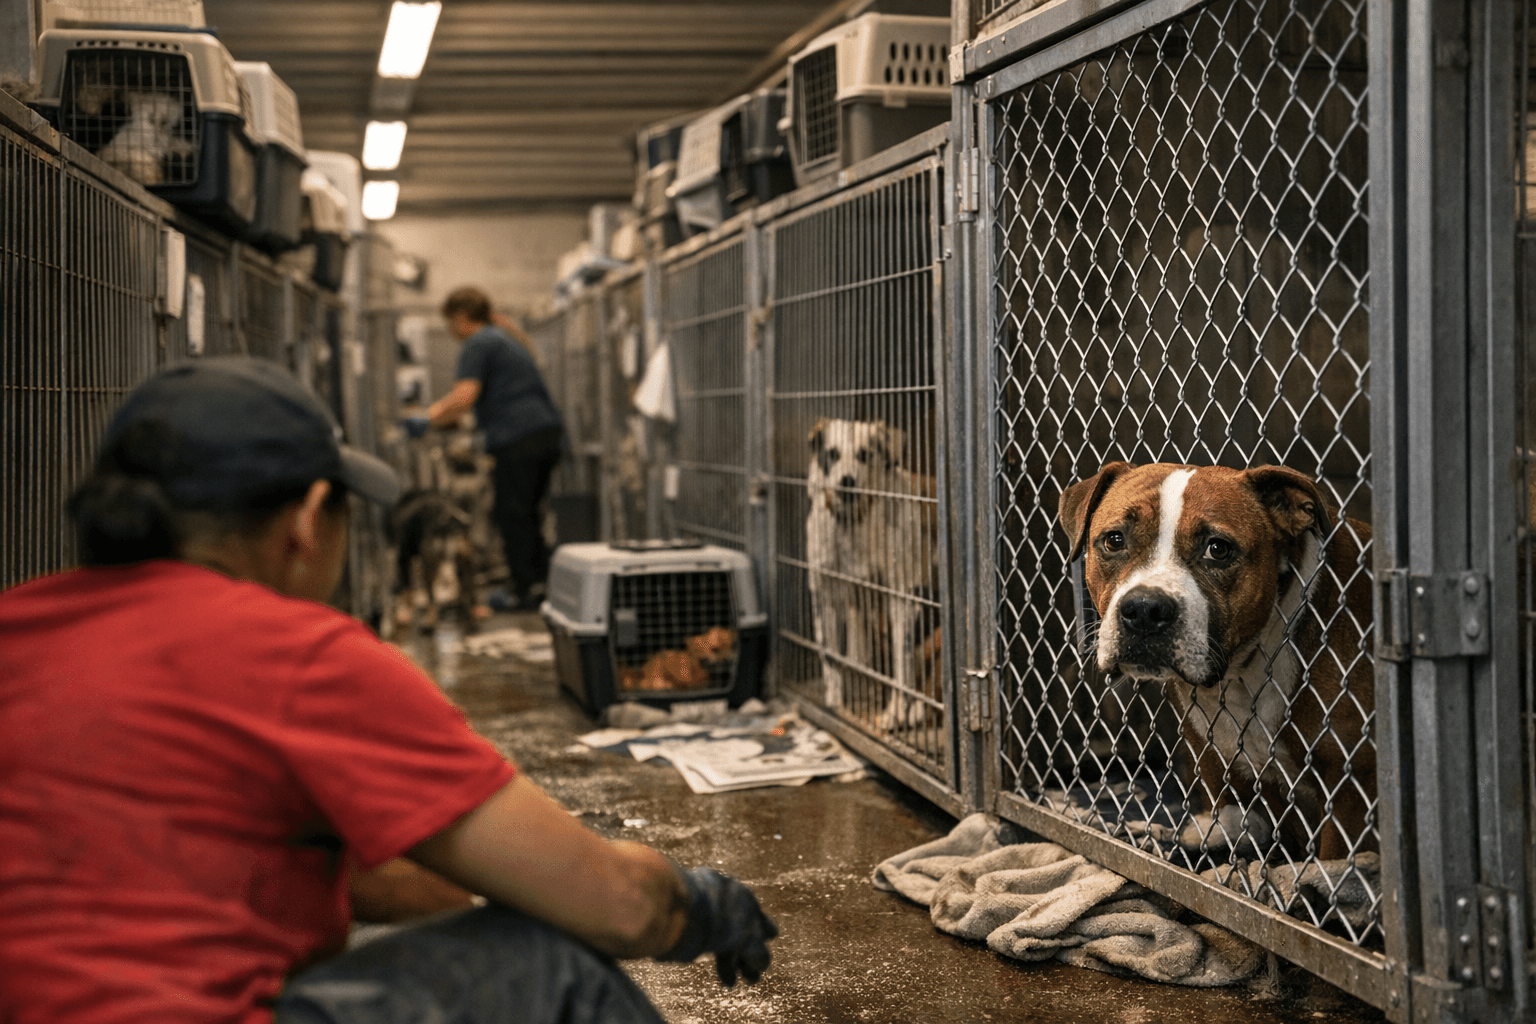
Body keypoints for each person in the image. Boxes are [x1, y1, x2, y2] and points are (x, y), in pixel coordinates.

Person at [0, 357, 776, 1024]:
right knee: (546, 963)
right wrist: (692, 900)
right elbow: (622, 908)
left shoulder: (19, 630)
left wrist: (515, 886)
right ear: (307, 521)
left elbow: (363, 874)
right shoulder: (295, 656)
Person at [406, 287, 563, 611]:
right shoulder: (502, 337)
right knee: (529, 514)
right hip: (543, 433)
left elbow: (464, 396)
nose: (450, 331)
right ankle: (539, 585)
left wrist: (429, 417)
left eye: (450, 322)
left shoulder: (478, 342)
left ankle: (526, 592)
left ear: (461, 318)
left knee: (513, 515)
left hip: (518, 438)